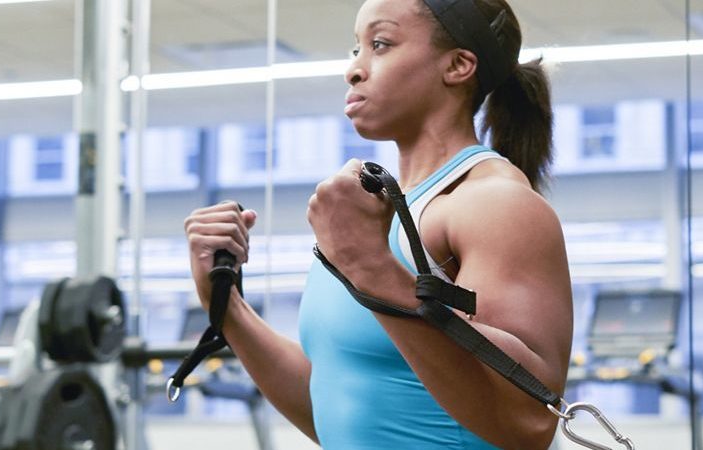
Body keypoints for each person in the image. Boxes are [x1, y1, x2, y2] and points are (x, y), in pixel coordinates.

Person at [183, 0, 569, 448]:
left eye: (380, 45)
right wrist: (224, 304)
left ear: (459, 65)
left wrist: (367, 263)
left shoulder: (493, 204)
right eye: (355, 49)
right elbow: (337, 404)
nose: (354, 70)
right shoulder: (375, 216)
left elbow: (531, 421)